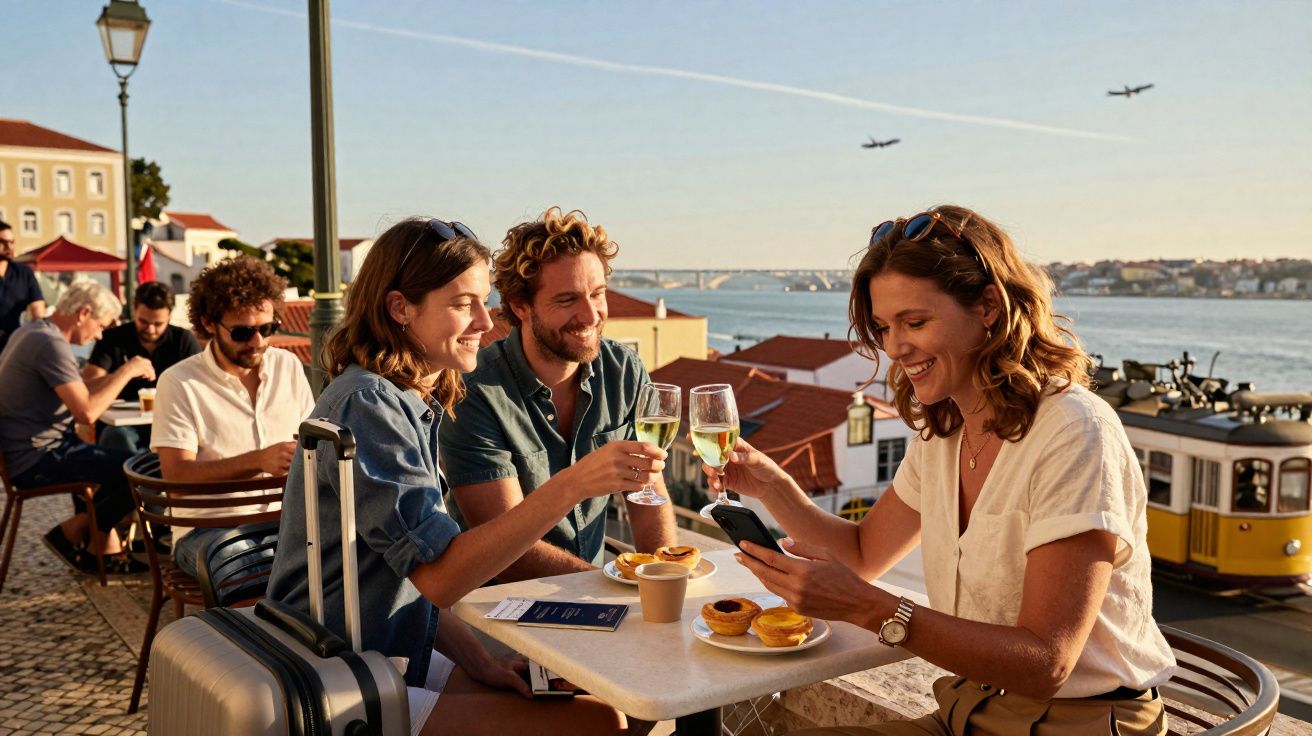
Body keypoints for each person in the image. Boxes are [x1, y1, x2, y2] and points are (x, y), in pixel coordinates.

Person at [715, 206, 1175, 735]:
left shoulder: (1074, 432)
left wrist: (870, 609)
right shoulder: (945, 433)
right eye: (884, 327)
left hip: (1078, 724)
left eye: (915, 322)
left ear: (988, 307)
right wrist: (772, 486)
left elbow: (1047, 662)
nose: (895, 347)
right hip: (967, 709)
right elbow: (863, 554)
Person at [267, 217, 664, 734]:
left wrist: (480, 662)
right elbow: (440, 576)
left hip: (384, 651)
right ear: (400, 308)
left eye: (483, 301)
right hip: (335, 675)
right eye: (462, 305)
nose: (484, 321)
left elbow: (409, 577)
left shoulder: (404, 400)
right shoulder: (368, 404)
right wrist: (575, 484)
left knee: (588, 701)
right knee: (599, 722)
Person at [440, 207, 677, 582]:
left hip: (596, 593)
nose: (590, 315)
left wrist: (665, 579)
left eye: (597, 294)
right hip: (502, 604)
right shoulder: (473, 391)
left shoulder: (623, 370)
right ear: (520, 306)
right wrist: (613, 590)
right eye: (567, 300)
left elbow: (647, 494)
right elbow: (508, 552)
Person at [150, 256, 313, 578]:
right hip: (207, 530)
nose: (258, 342)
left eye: (267, 328)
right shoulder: (179, 382)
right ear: (209, 323)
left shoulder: (288, 366)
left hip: (284, 523)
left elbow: (311, 445)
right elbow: (176, 478)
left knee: (352, 560)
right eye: (242, 332)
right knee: (250, 568)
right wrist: (258, 460)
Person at [0, 280, 154, 574]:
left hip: (31, 451)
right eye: (101, 325)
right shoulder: (50, 344)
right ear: (84, 313)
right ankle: (72, 532)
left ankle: (95, 549)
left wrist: (116, 377)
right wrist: (127, 370)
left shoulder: (33, 331)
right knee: (143, 470)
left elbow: (78, 389)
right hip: (38, 458)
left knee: (130, 465)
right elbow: (87, 413)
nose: (100, 335)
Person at [82, 280, 202, 452]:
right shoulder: (112, 338)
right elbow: (87, 388)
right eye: (143, 322)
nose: (150, 329)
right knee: (117, 437)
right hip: (121, 426)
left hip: (170, 422)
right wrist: (125, 372)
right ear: (134, 309)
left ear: (170, 315)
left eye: (158, 324)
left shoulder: (183, 340)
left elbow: (200, 388)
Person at [0, 219, 47, 355]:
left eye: (12, 242)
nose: (9, 247)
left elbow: (38, 312)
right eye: (3, 242)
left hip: (14, 344)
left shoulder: (24, 273)